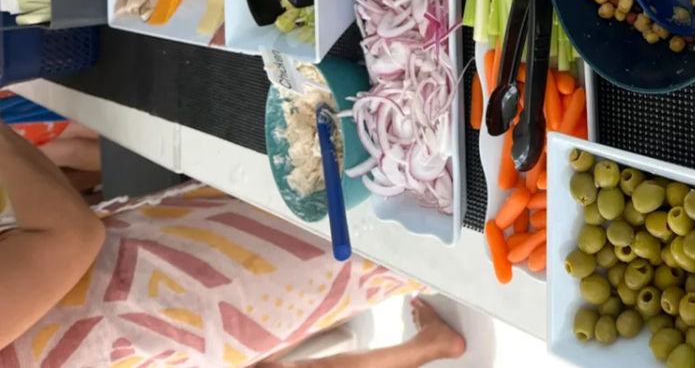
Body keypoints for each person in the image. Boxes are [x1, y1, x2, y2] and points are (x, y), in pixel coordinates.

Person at [0, 122, 467, 367]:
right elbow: (69, 239)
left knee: (392, 221)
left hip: (178, 305)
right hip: (187, 288)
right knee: (404, 223)